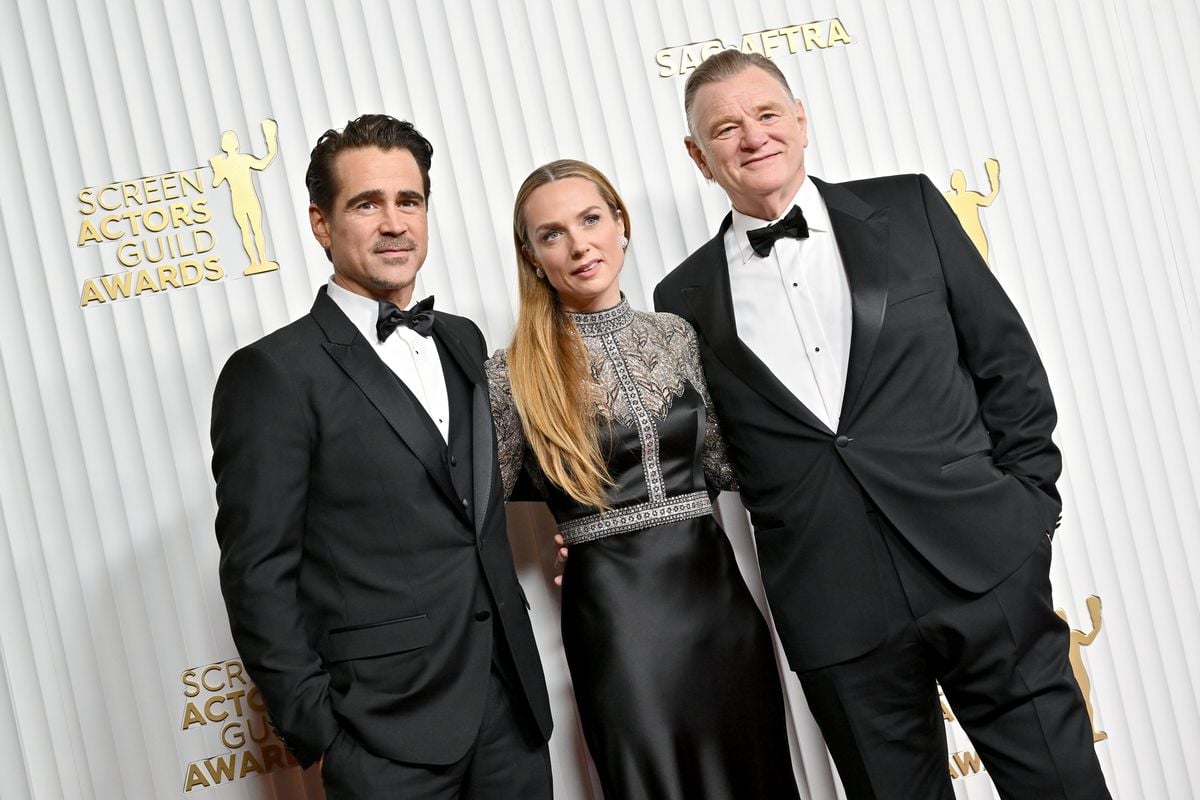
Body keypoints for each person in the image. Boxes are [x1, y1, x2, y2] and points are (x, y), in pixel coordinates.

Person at [653, 50, 1112, 799]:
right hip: (836, 610)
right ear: (698, 156)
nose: (752, 137)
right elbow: (699, 452)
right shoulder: (682, 297)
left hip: (981, 564)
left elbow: (1008, 366)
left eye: (767, 114)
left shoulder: (910, 209)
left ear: (800, 120)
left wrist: (1027, 514)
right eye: (725, 128)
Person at [210, 114, 553, 800]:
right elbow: (257, 574)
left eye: (409, 201)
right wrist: (323, 734)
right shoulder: (273, 374)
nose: (394, 223)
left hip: (508, 713)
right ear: (320, 222)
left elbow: (470, 496)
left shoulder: (460, 338)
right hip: (382, 737)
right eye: (367, 204)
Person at [486, 159, 799, 799]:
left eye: (591, 219)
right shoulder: (511, 374)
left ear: (620, 223)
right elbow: (482, 509)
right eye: (551, 234)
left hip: (718, 605)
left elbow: (722, 462)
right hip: (619, 623)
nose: (578, 245)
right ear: (531, 255)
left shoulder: (678, 334)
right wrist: (577, 525)